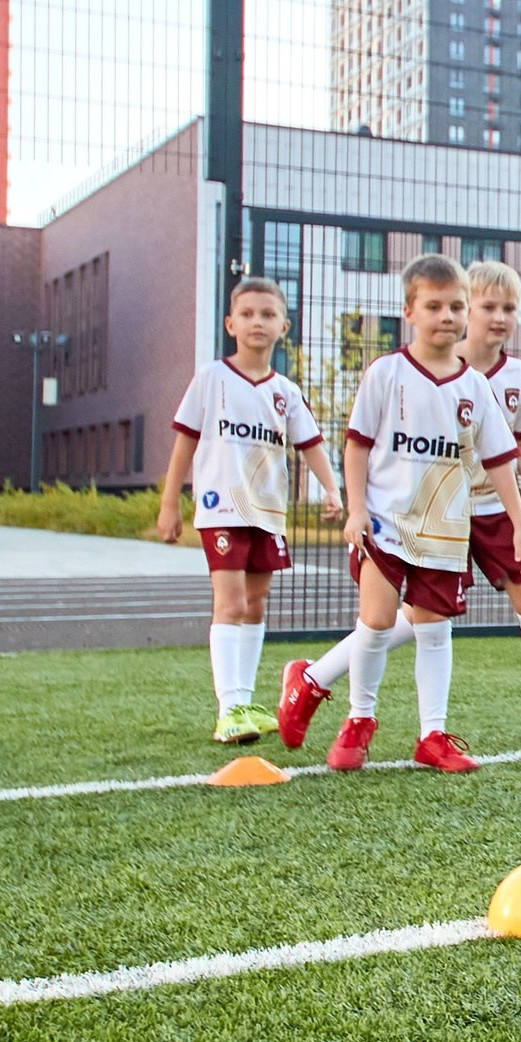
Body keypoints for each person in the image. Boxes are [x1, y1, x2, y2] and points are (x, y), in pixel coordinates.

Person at [279, 259, 521, 748]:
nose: (499, 317)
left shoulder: (517, 377)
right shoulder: (415, 367)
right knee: (404, 616)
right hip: (430, 515)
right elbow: (364, 443)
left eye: (510, 308)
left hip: (488, 510)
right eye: (488, 306)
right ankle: (316, 679)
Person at [322, 253, 521, 774]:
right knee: (375, 621)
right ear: (409, 311)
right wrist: (355, 510)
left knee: (434, 629)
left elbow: (500, 460)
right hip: (386, 525)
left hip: (444, 534)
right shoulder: (386, 373)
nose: (447, 316)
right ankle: (359, 720)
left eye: (456, 306)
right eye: (434, 305)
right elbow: (356, 446)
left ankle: (433, 735)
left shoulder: (473, 388)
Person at [155, 276, 343, 743]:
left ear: (284, 325)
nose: (257, 322)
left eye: (267, 314)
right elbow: (185, 443)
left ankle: (247, 700)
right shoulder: (211, 378)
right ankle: (229, 706)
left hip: (268, 512)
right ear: (230, 324)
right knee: (232, 602)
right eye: (247, 314)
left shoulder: (286, 391)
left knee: (257, 604)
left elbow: (311, 444)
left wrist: (332, 489)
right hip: (222, 508)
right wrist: (169, 502)